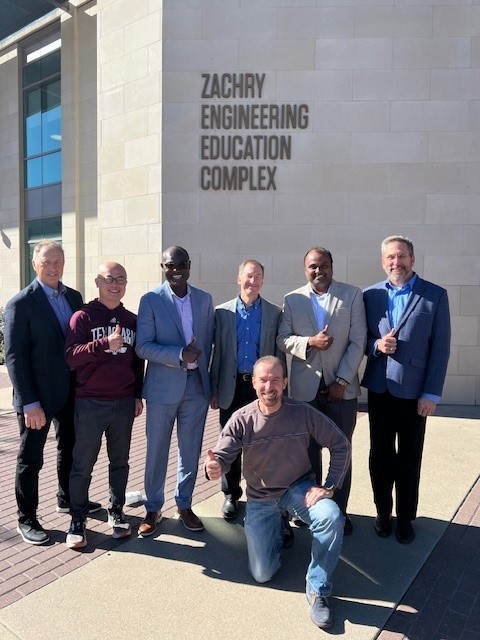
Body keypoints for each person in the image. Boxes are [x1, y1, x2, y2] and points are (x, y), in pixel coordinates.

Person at [205, 356, 350, 630]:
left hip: (298, 489)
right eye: (263, 380)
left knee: (330, 516)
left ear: (284, 383)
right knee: (262, 574)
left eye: (275, 380)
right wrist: (215, 466)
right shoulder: (241, 419)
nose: (268, 386)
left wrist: (329, 486)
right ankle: (276, 527)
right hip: (260, 497)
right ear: (254, 383)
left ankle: (319, 589)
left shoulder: (302, 413)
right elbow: (222, 456)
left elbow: (340, 444)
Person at [3, 240, 101, 546]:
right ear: (35, 264)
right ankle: (27, 518)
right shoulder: (21, 303)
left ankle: (67, 500)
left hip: (70, 391)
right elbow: (14, 356)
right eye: (47, 262)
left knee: (69, 450)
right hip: (36, 399)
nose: (53, 267)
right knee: (31, 459)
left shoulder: (74, 296)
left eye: (58, 261)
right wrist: (29, 402)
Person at [362, 235, 451, 544]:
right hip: (380, 389)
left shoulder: (435, 296)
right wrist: (375, 344)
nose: (395, 262)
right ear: (383, 261)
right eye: (390, 258)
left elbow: (440, 349)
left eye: (401, 256)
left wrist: (432, 393)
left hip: (415, 394)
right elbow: (358, 339)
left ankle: (405, 518)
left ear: (412, 259)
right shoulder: (369, 295)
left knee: (410, 457)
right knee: (380, 455)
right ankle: (383, 513)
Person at [277, 247, 366, 534]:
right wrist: (309, 343)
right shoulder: (292, 300)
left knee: (341, 450)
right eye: (313, 266)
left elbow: (358, 341)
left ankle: (338, 512)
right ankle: (312, 510)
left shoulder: (352, 295)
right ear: (306, 269)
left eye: (324, 265)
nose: (319, 271)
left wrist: (341, 381)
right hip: (305, 391)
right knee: (308, 454)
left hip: (341, 390)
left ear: (332, 266)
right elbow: (282, 339)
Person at [64, 262, 144, 549]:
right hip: (90, 403)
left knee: (120, 462)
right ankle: (77, 518)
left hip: (122, 403)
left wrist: (137, 395)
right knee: (82, 464)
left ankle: (117, 510)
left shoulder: (132, 319)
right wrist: (102, 345)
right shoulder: (83, 317)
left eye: (121, 279)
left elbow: (137, 362)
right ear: (97, 282)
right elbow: (71, 357)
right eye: (109, 278)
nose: (115, 284)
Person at [135, 246, 214, 536]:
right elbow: (142, 346)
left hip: (196, 389)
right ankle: (153, 507)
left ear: (189, 266)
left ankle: (184, 505)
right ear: (163, 267)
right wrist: (180, 353)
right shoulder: (151, 300)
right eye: (170, 265)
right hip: (162, 389)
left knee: (190, 450)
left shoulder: (204, 300)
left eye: (181, 264)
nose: (176, 270)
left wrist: (211, 384)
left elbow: (212, 343)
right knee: (156, 450)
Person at [209, 259, 283, 520]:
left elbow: (278, 355)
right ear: (238, 279)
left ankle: (260, 495)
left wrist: (279, 389)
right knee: (230, 443)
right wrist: (214, 388)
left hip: (260, 390)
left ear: (263, 280)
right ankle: (230, 494)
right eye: (249, 276)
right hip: (231, 387)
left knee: (261, 443)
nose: (253, 281)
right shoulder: (222, 312)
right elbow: (216, 354)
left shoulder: (275, 313)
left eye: (258, 277)